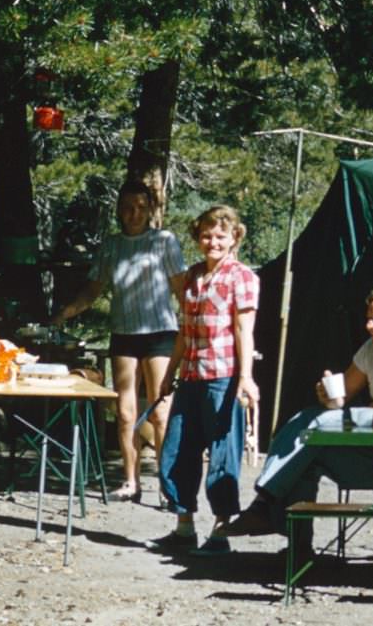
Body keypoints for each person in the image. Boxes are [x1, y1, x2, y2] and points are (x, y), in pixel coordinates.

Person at [220, 282, 373, 544]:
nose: (369, 326)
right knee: (307, 447)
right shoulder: (372, 349)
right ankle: (298, 550)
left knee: (316, 424)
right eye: (368, 319)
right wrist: (328, 394)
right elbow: (340, 399)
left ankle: (263, 503)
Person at [52, 180, 185, 502]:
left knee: (160, 412)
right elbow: (92, 290)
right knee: (125, 413)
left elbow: (183, 289)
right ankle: (130, 481)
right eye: (128, 207)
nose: (134, 214)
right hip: (124, 335)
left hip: (161, 335)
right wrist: (63, 315)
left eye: (141, 207)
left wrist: (191, 330)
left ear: (151, 210)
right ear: (119, 211)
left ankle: (169, 487)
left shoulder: (165, 241)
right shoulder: (111, 245)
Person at [154, 205, 260, 555]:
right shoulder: (191, 277)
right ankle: (184, 528)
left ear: (235, 238)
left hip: (224, 377)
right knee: (178, 449)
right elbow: (184, 333)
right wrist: (170, 373)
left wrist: (245, 378)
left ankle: (221, 531)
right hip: (191, 376)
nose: (213, 241)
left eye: (220, 235)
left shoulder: (241, 277)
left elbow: (245, 330)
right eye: (206, 235)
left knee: (221, 455)